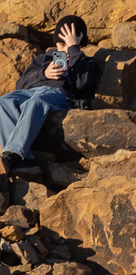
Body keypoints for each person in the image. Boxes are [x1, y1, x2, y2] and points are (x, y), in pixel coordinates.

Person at [0, 16, 100, 191]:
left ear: (80, 44)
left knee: (39, 101)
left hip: (60, 96)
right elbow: (20, 84)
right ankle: (26, 162)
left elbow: (82, 83)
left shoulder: (84, 62)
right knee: (3, 101)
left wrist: (74, 51)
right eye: (61, 46)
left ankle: (13, 154)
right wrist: (44, 74)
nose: (65, 50)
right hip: (31, 92)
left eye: (69, 45)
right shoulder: (42, 60)